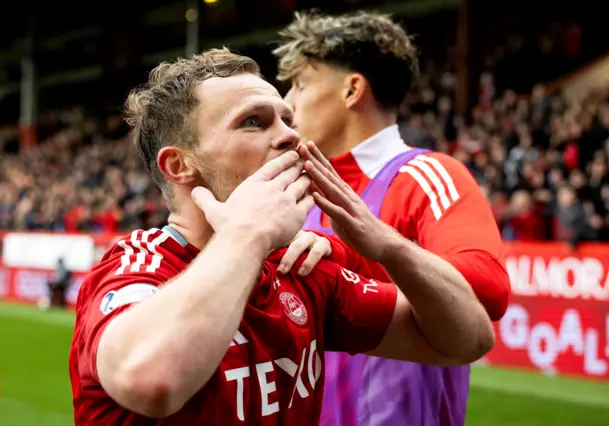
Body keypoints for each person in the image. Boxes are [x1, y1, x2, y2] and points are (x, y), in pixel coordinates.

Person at [68, 48, 495, 426]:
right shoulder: (134, 269)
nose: (291, 136)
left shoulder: (301, 271)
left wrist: (387, 247)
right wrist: (247, 235)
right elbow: (152, 381)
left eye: (287, 119)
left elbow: (467, 339)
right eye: (254, 122)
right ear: (179, 166)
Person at [273, 11, 511, 426]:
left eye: (300, 84)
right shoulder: (295, 191)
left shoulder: (426, 175)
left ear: (352, 90)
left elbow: (488, 288)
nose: (287, 102)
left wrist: (354, 257)